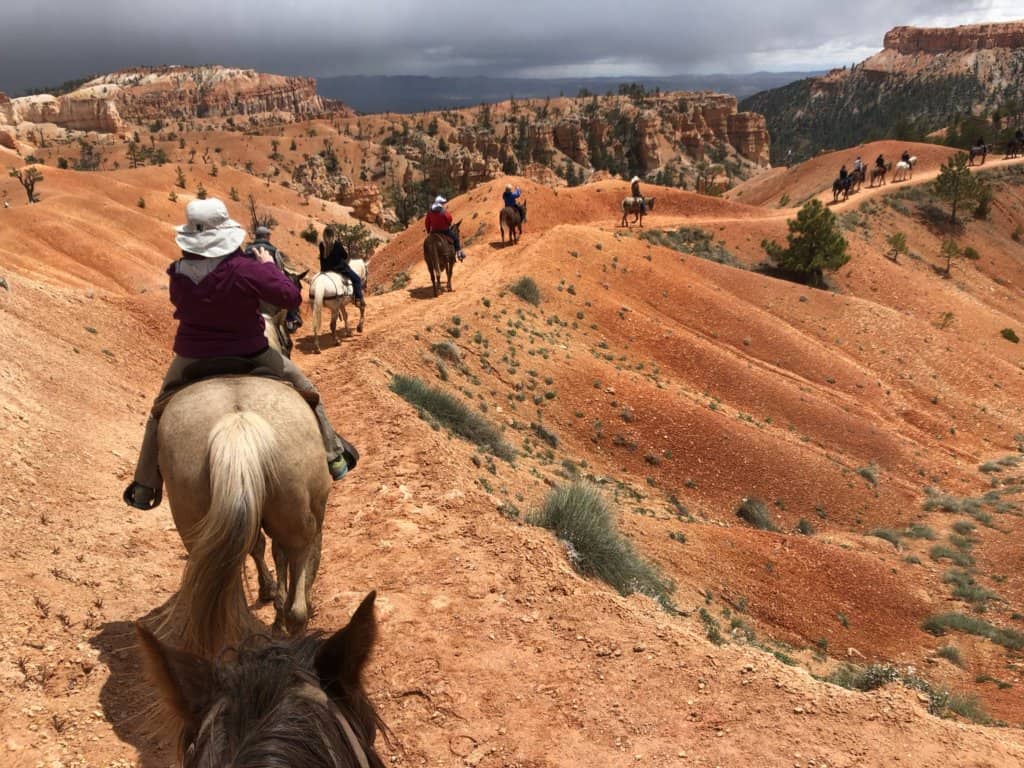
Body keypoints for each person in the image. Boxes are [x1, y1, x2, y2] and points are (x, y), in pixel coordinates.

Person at [123, 198, 357, 510]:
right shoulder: (246, 270)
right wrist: (268, 268)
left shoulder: (177, 272)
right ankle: (334, 456)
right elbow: (289, 296)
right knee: (307, 390)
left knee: (159, 410)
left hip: (193, 356)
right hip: (251, 351)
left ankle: (145, 484)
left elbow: (186, 303)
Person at [245, 225, 302, 331]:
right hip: (267, 287)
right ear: (267, 236)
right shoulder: (273, 250)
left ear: (256, 236)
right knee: (289, 288)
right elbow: (279, 269)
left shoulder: (247, 249)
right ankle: (291, 318)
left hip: (248, 287)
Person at [318, 226, 365, 307]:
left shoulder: (321, 245)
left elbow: (322, 259)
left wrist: (322, 271)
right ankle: (358, 299)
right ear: (333, 234)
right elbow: (345, 256)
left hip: (325, 269)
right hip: (339, 269)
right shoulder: (337, 244)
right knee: (357, 279)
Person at [424, 195, 464, 261]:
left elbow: (427, 222)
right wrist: (448, 224)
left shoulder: (430, 212)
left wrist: (428, 230)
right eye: (442, 203)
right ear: (440, 203)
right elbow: (449, 219)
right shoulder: (443, 211)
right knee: (456, 239)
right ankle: (459, 254)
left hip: (434, 231)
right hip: (444, 230)